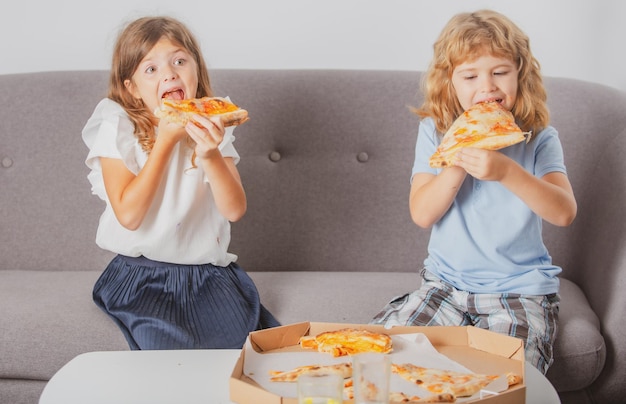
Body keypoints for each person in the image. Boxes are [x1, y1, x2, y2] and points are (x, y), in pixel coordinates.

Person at [371, 9, 577, 374]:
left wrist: (506, 171)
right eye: (470, 76)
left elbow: (563, 212)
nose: (488, 86)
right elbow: (422, 214)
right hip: (444, 287)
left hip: (519, 292)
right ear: (450, 82)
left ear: (520, 74)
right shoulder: (435, 132)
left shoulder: (539, 137)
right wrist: (460, 154)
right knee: (379, 357)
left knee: (508, 378)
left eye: (500, 72)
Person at [82, 16, 280, 350]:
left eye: (179, 61)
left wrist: (210, 153)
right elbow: (129, 216)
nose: (169, 74)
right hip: (141, 276)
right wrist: (165, 141)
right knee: (168, 354)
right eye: (151, 69)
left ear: (196, 71)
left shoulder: (213, 126)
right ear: (131, 87)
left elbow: (234, 210)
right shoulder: (118, 126)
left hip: (208, 276)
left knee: (245, 352)